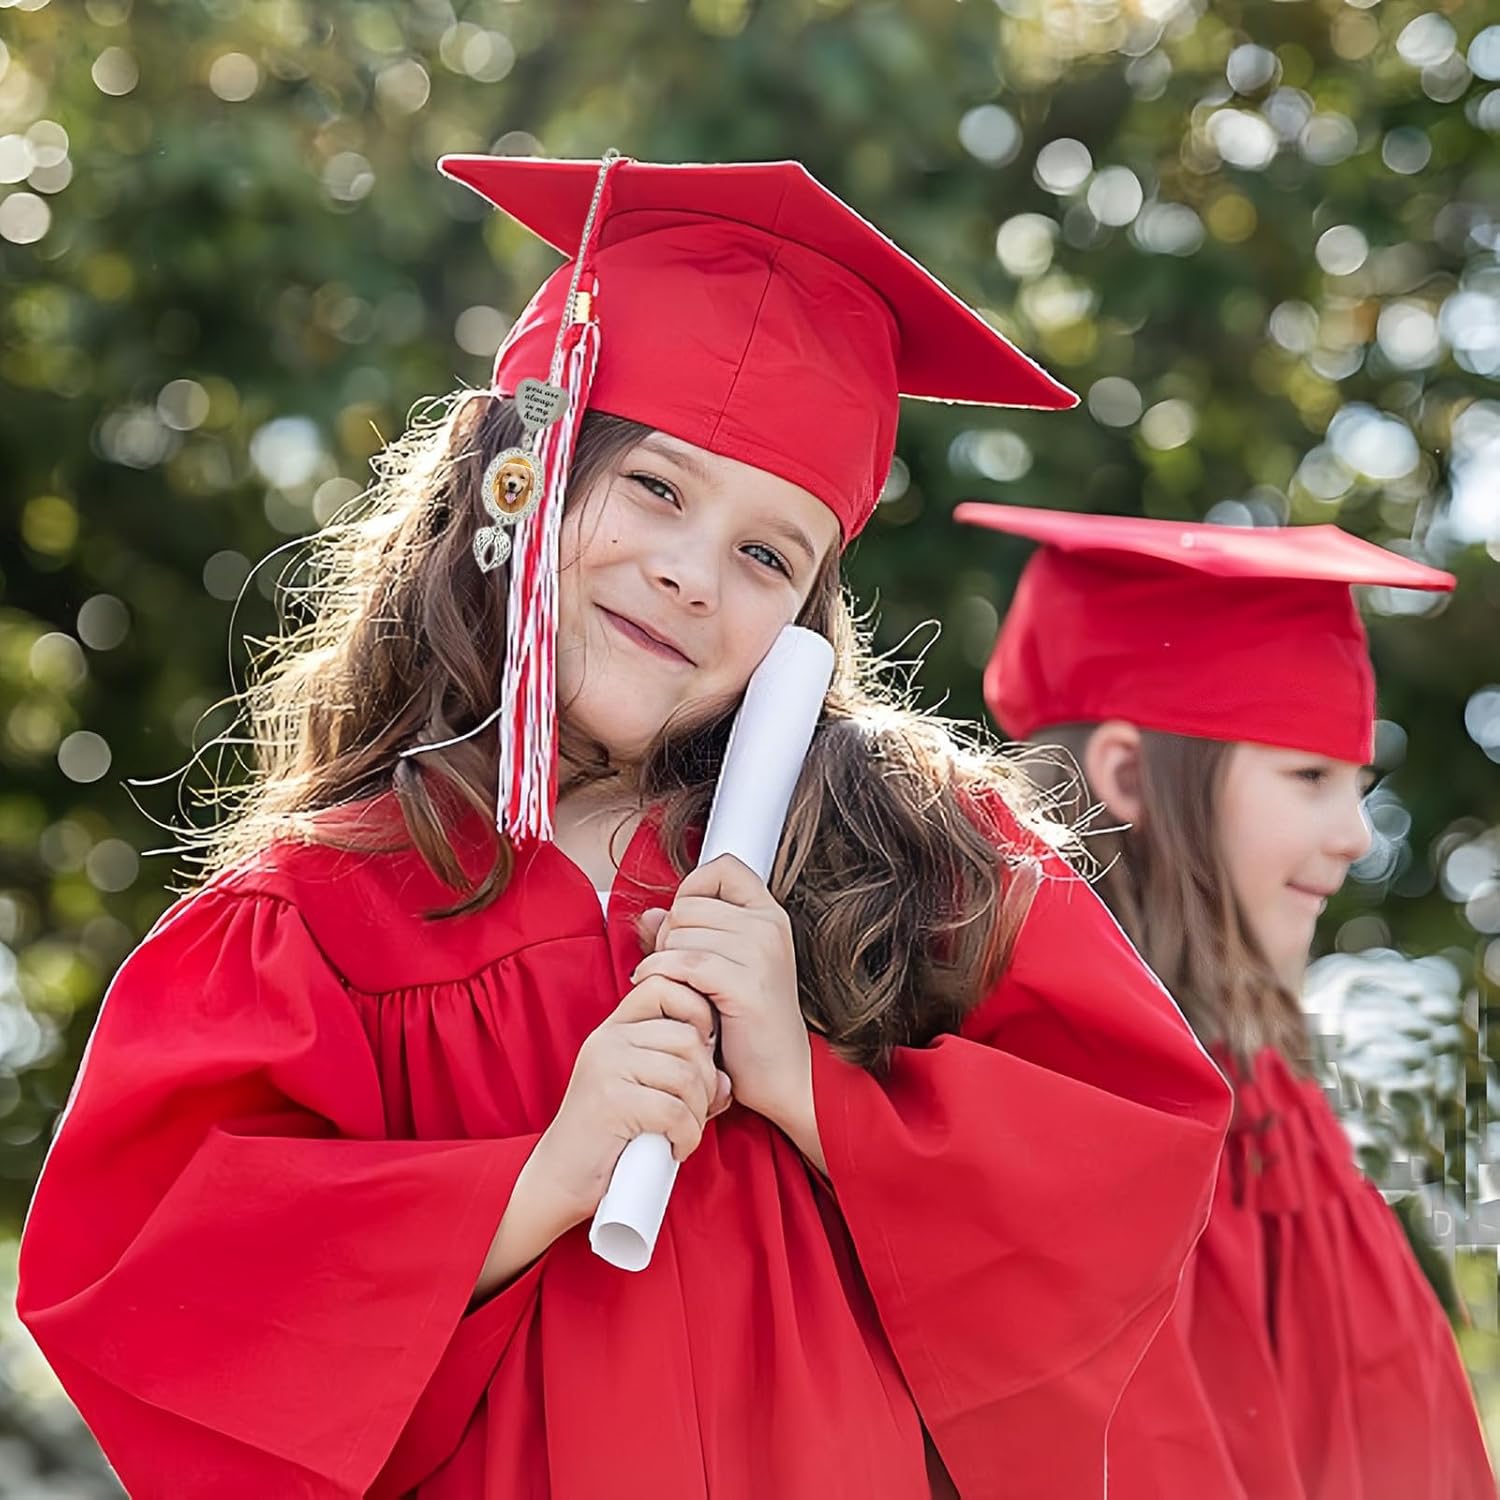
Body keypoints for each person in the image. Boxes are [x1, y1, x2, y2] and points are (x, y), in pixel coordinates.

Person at [18, 157, 1231, 1500]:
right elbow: (167, 1292)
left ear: (807, 623)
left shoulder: (913, 861)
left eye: (769, 554)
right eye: (656, 488)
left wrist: (806, 1081)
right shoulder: (318, 919)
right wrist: (545, 1176)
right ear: (517, 479)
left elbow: (1126, 1186)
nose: (690, 574)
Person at [957, 502, 1494, 1499]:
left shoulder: (1278, 1110)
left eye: (1355, 785)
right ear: (1126, 773)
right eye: (1308, 776)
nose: (1353, 836)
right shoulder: (1018, 1090)